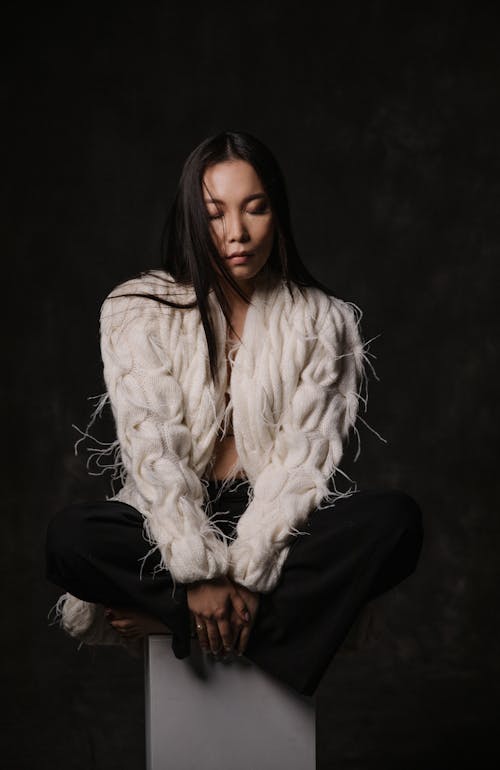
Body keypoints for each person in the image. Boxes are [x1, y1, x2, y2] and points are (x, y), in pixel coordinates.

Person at [45, 129, 424, 697]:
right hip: (171, 519)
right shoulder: (137, 309)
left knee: (395, 523)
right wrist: (196, 573)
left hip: (277, 521)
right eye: (215, 213)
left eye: (256, 208)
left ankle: (178, 623)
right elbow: (155, 453)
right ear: (193, 219)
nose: (236, 233)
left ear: (278, 213)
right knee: (71, 538)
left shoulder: (323, 321)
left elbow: (302, 465)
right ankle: (249, 620)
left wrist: (246, 574)